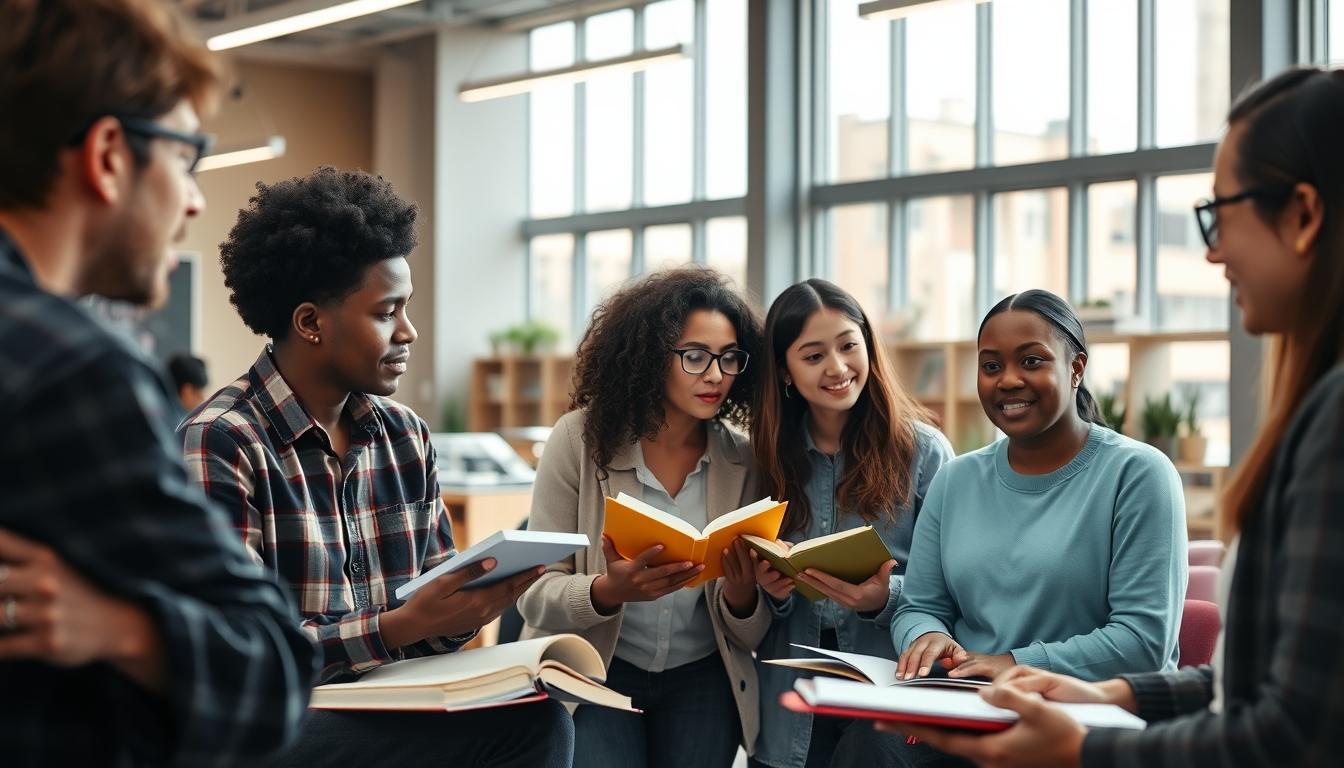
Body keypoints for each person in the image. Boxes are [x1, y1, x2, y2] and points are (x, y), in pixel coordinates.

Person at [882, 65, 1344, 768]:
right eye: (990, 362)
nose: (1213, 250)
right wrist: (1112, 698)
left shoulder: (1328, 426)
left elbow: (1291, 734)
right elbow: (1241, 688)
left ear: (1305, 215)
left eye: (1220, 213)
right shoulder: (1319, 411)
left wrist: (1080, 744)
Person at [0, 1, 316, 765]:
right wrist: (132, 629)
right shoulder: (74, 371)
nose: (196, 200)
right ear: (108, 155)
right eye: (187, 159)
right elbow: (272, 672)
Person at [178, 167, 572, 767]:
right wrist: (393, 629)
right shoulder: (222, 441)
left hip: (395, 705)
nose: (408, 331)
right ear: (310, 323)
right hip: (277, 722)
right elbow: (234, 651)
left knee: (540, 717)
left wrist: (468, 607)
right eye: (387, 311)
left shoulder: (405, 435)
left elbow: (434, 618)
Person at [518, 267, 768, 768]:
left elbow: (751, 633)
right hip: (595, 669)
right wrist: (607, 592)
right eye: (695, 357)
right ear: (652, 356)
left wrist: (742, 598)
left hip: (702, 678)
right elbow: (532, 593)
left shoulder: (744, 461)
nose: (716, 375)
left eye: (729, 358)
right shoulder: (578, 441)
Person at [748, 279, 953, 768]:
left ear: (868, 346)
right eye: (813, 356)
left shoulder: (924, 453)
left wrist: (884, 597)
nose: (838, 368)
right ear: (785, 371)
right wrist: (771, 590)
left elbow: (954, 587)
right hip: (790, 692)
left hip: (891, 684)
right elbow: (749, 605)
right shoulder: (763, 458)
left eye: (848, 346)